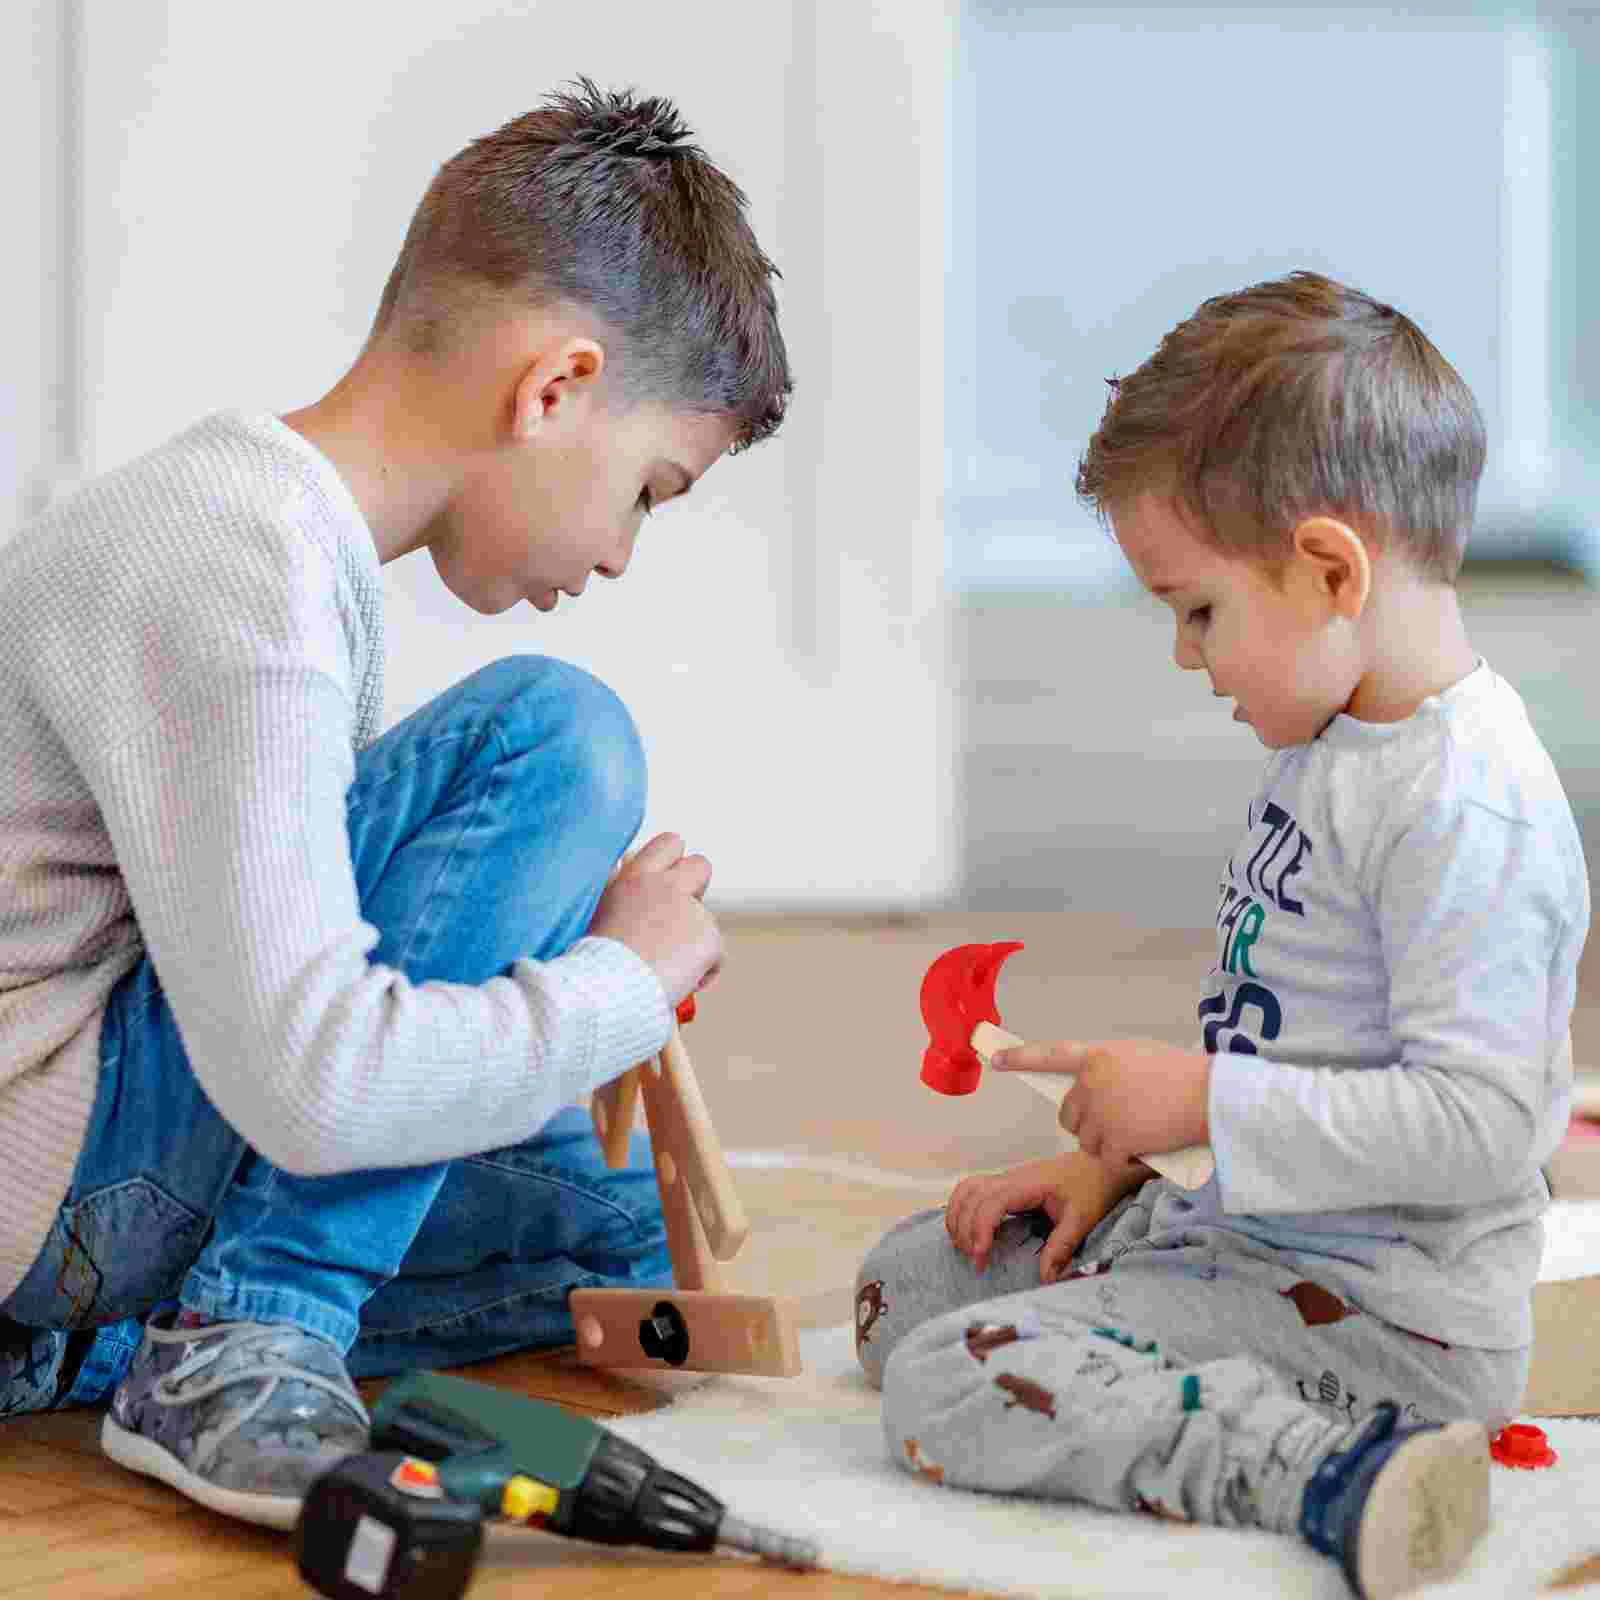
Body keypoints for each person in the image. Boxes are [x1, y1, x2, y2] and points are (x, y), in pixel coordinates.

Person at [0, 78, 790, 1529]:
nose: (620, 553)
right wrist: (625, 981)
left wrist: (571, 1011)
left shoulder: (274, 538)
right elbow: (310, 1078)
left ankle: (93, 1357)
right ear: (553, 389)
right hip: (52, 1162)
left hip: (87, 1181)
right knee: (560, 737)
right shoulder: (231, 563)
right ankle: (250, 1328)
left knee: (606, 1231)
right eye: (650, 490)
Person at [854, 272, 1587, 1600]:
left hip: (1387, 1325)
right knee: (911, 1285)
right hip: (1254, 1237)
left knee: (943, 1380)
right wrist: (1134, 1170)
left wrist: (1201, 1099)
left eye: (1198, 609)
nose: (1189, 657)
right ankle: (1205, 1371)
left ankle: (1329, 1470)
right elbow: (1293, 1051)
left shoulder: (1463, 806)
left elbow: (1485, 1127)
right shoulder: (1338, 747)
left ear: (1327, 570)